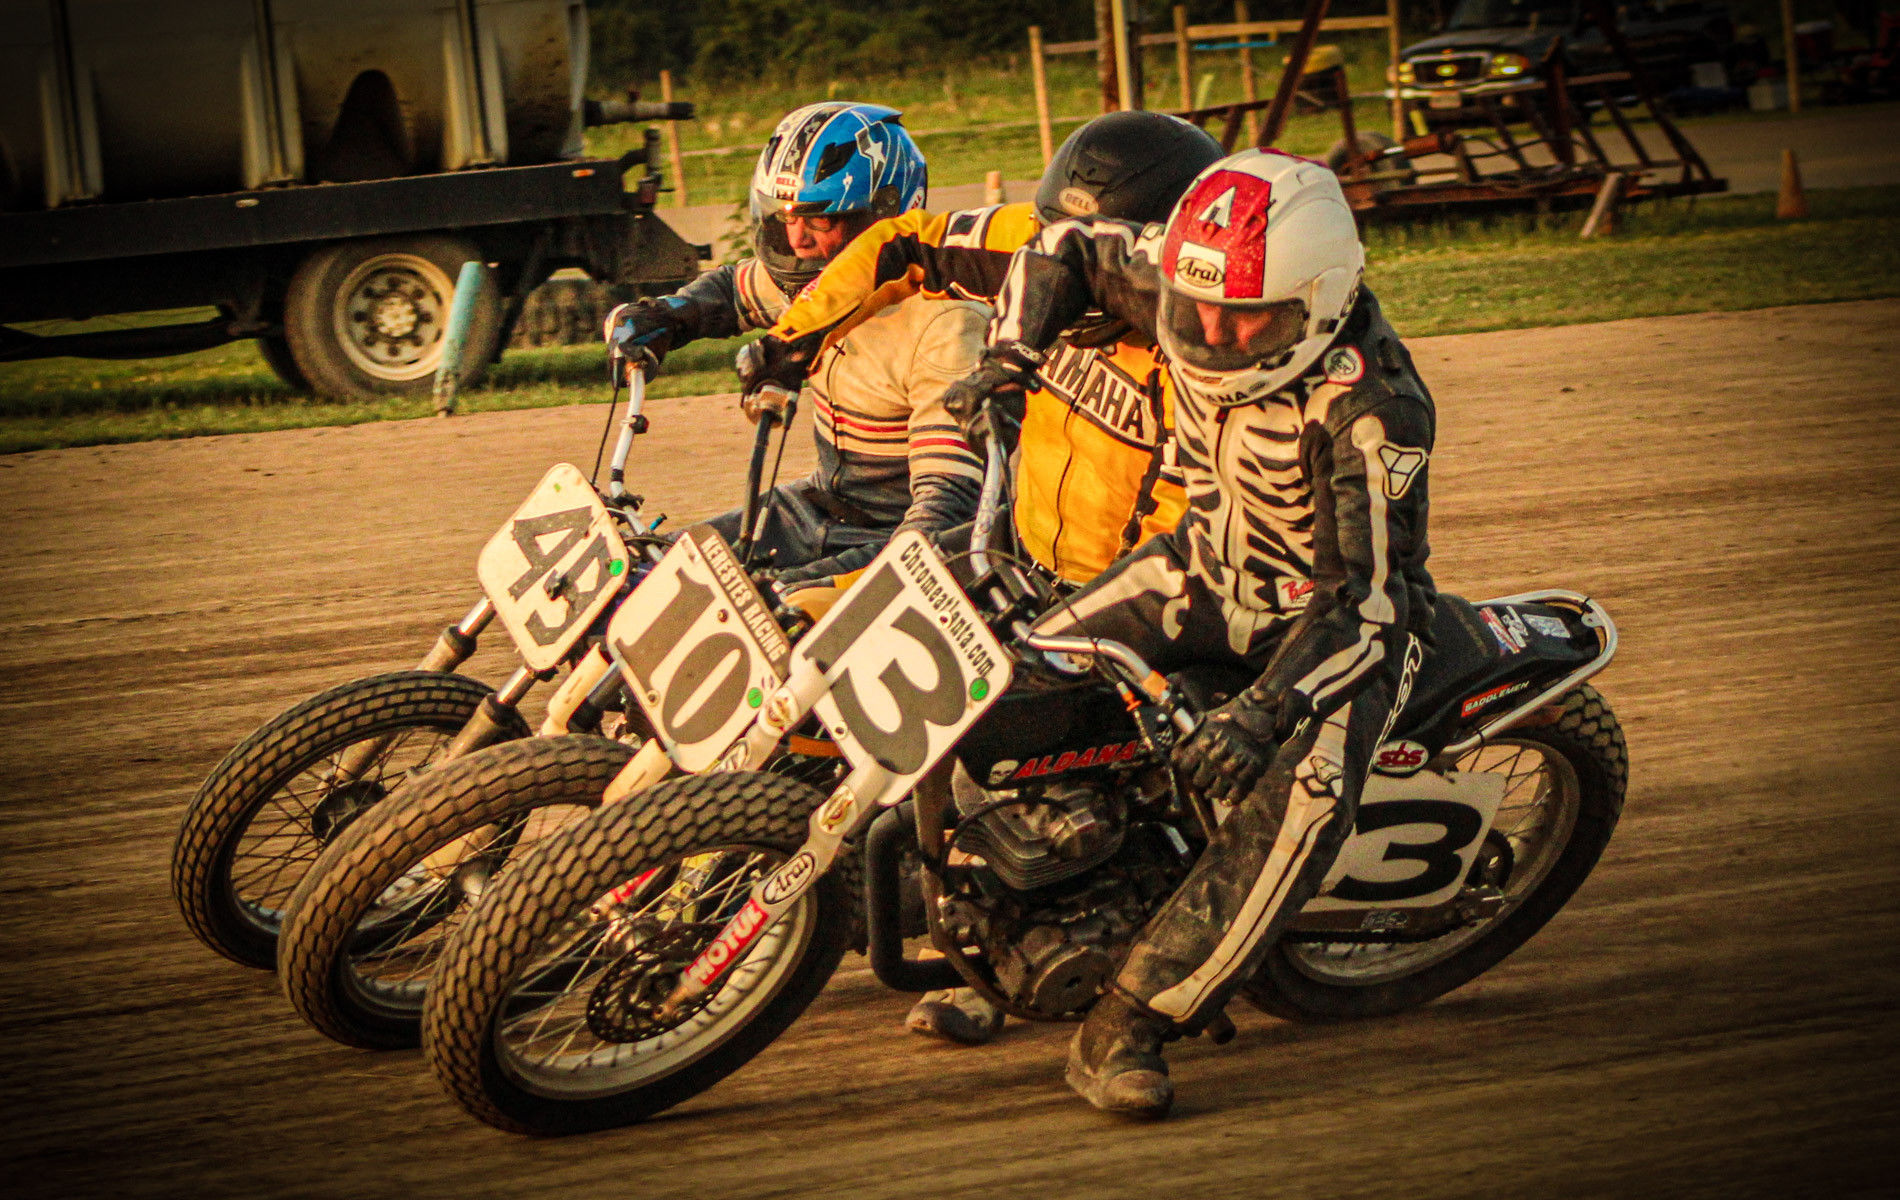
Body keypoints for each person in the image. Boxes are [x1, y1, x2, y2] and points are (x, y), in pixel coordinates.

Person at [940, 149, 1438, 1118]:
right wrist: (1010, 356)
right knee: (998, 682)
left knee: (1299, 808)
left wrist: (1260, 716)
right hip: (1199, 568)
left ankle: (1128, 1021)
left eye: (1246, 318)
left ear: (1319, 303)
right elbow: (1067, 244)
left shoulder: (1373, 409)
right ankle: (996, 939)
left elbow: (1371, 603)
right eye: (1193, 305)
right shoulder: (1204, 284)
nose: (1209, 330)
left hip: (1323, 633)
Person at [733, 112, 1225, 1047]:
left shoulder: (1205, 361)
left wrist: (1090, 618)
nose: (1051, 277)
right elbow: (900, 241)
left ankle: (1145, 970)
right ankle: (958, 911)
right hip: (1018, 555)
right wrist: (796, 335)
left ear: (1158, 261)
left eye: (1089, 260)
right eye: (1052, 245)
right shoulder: (1031, 246)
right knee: (815, 635)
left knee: (1067, 751)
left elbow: (1195, 541)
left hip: (1137, 600)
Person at [605, 101, 981, 589]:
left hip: (900, 534)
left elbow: (945, 507)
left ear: (884, 215)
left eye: (819, 219)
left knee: (766, 609)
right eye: (784, 217)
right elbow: (729, 292)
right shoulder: (816, 283)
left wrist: (806, 588)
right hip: (813, 507)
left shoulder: (946, 323)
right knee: (644, 578)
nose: (796, 239)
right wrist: (666, 317)